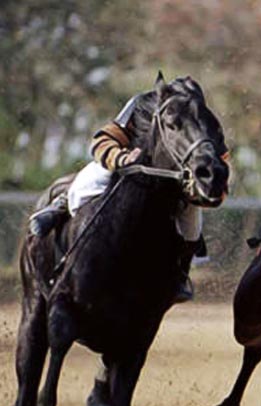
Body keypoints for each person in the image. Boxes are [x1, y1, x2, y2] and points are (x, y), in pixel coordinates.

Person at [28, 80, 223, 303]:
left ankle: (179, 277)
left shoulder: (202, 118)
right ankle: (61, 206)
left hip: (172, 184)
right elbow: (103, 140)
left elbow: (218, 159)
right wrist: (120, 158)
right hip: (125, 170)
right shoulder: (141, 103)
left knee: (192, 222)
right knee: (89, 180)